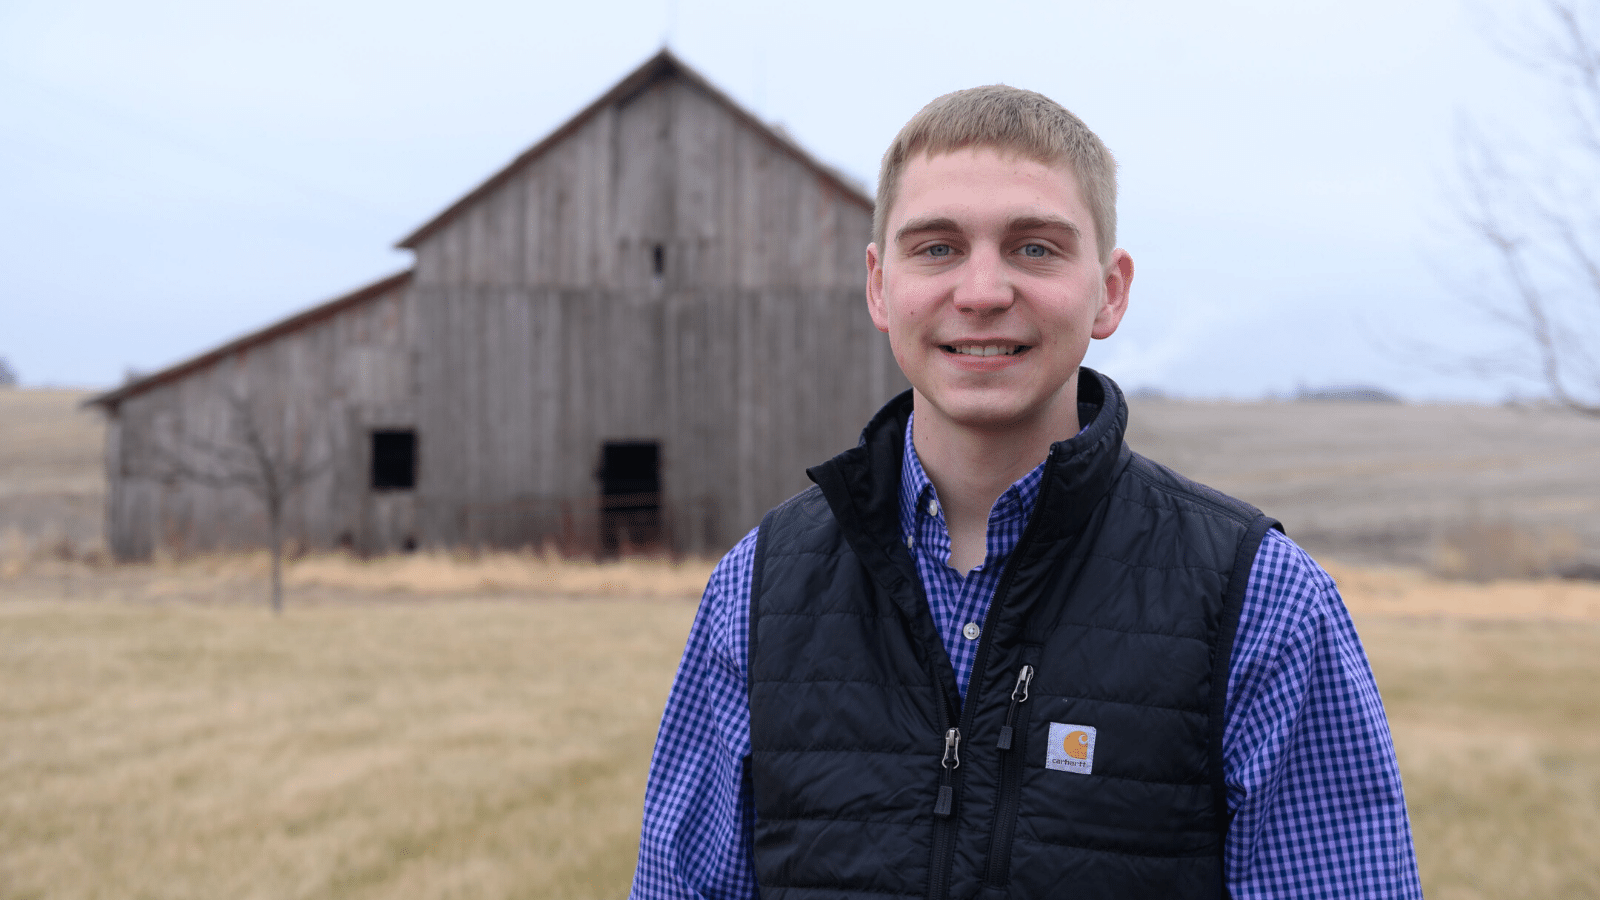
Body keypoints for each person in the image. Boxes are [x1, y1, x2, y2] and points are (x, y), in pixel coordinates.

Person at [631, 85, 1422, 899]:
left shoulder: (1259, 599)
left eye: (1035, 248)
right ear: (879, 287)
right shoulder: (757, 589)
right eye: (936, 248)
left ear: (1109, 291)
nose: (981, 291)